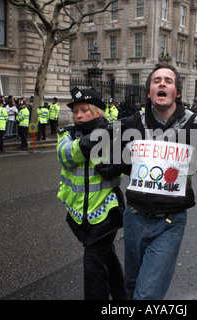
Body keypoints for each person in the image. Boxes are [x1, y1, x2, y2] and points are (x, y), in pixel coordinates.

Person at [96, 62, 197, 300]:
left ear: (177, 92)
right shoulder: (130, 123)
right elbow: (105, 152)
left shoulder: (196, 124)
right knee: (131, 288)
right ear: (149, 92)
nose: (162, 84)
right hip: (134, 218)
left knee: (146, 295)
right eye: (156, 81)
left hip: (170, 221)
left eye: (168, 81)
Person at [56, 87, 127, 300]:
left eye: (84, 110)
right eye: (75, 111)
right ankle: (122, 298)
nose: (78, 115)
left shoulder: (114, 134)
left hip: (106, 211)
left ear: (97, 111)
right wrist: (96, 139)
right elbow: (65, 155)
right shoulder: (67, 133)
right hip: (78, 214)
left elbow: (126, 159)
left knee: (93, 261)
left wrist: (116, 162)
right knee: (107, 258)